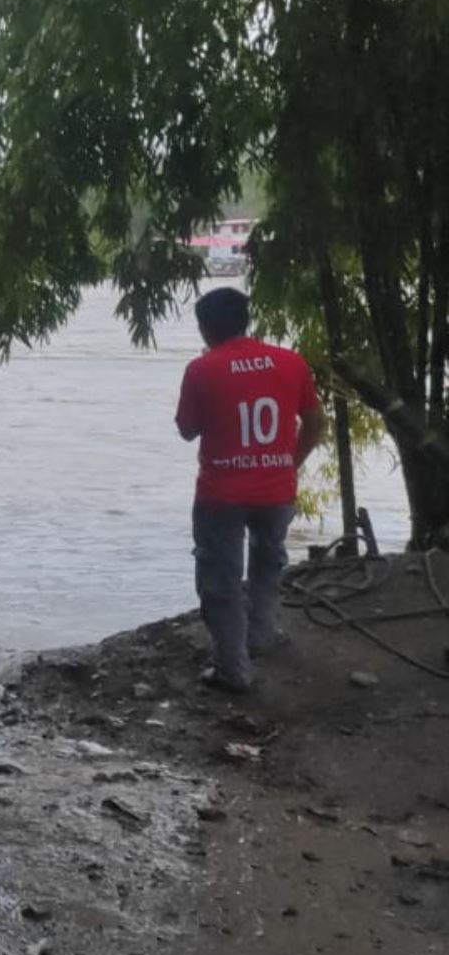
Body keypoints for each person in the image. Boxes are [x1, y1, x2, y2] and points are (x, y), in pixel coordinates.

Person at [175, 287, 325, 692]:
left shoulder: (202, 370)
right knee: (267, 561)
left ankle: (233, 669)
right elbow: (315, 423)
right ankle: (261, 635)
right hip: (277, 490)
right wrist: (288, 464)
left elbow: (187, 430)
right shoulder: (290, 362)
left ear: (206, 328)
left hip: (221, 494)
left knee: (220, 578)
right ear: (246, 321)